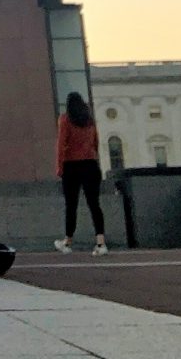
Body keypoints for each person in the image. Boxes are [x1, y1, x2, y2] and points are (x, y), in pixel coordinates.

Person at [54, 92, 109, 256]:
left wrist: (59, 167)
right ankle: (100, 243)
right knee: (94, 204)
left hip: (71, 166)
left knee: (71, 205)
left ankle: (68, 242)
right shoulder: (89, 121)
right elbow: (96, 142)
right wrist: (94, 158)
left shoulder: (65, 119)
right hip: (90, 165)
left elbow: (61, 144)